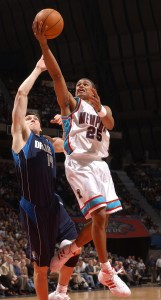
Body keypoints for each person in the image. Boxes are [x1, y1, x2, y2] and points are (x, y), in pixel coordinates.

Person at [32, 21, 131, 298]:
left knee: (101, 223)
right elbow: (58, 76)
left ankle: (71, 248)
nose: (80, 87)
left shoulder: (102, 108)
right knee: (99, 215)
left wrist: (100, 107)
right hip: (81, 165)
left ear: (95, 91)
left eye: (85, 84)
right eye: (78, 85)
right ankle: (106, 271)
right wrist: (44, 44)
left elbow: (110, 123)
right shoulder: (72, 105)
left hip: (101, 166)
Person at [11, 56, 92, 300]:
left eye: (35, 117)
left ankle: (61, 291)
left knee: (75, 246)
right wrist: (37, 69)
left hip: (53, 204)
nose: (32, 118)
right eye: (28, 117)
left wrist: (67, 123)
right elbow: (20, 96)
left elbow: (74, 143)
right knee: (41, 268)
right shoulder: (21, 139)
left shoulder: (47, 142)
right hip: (34, 209)